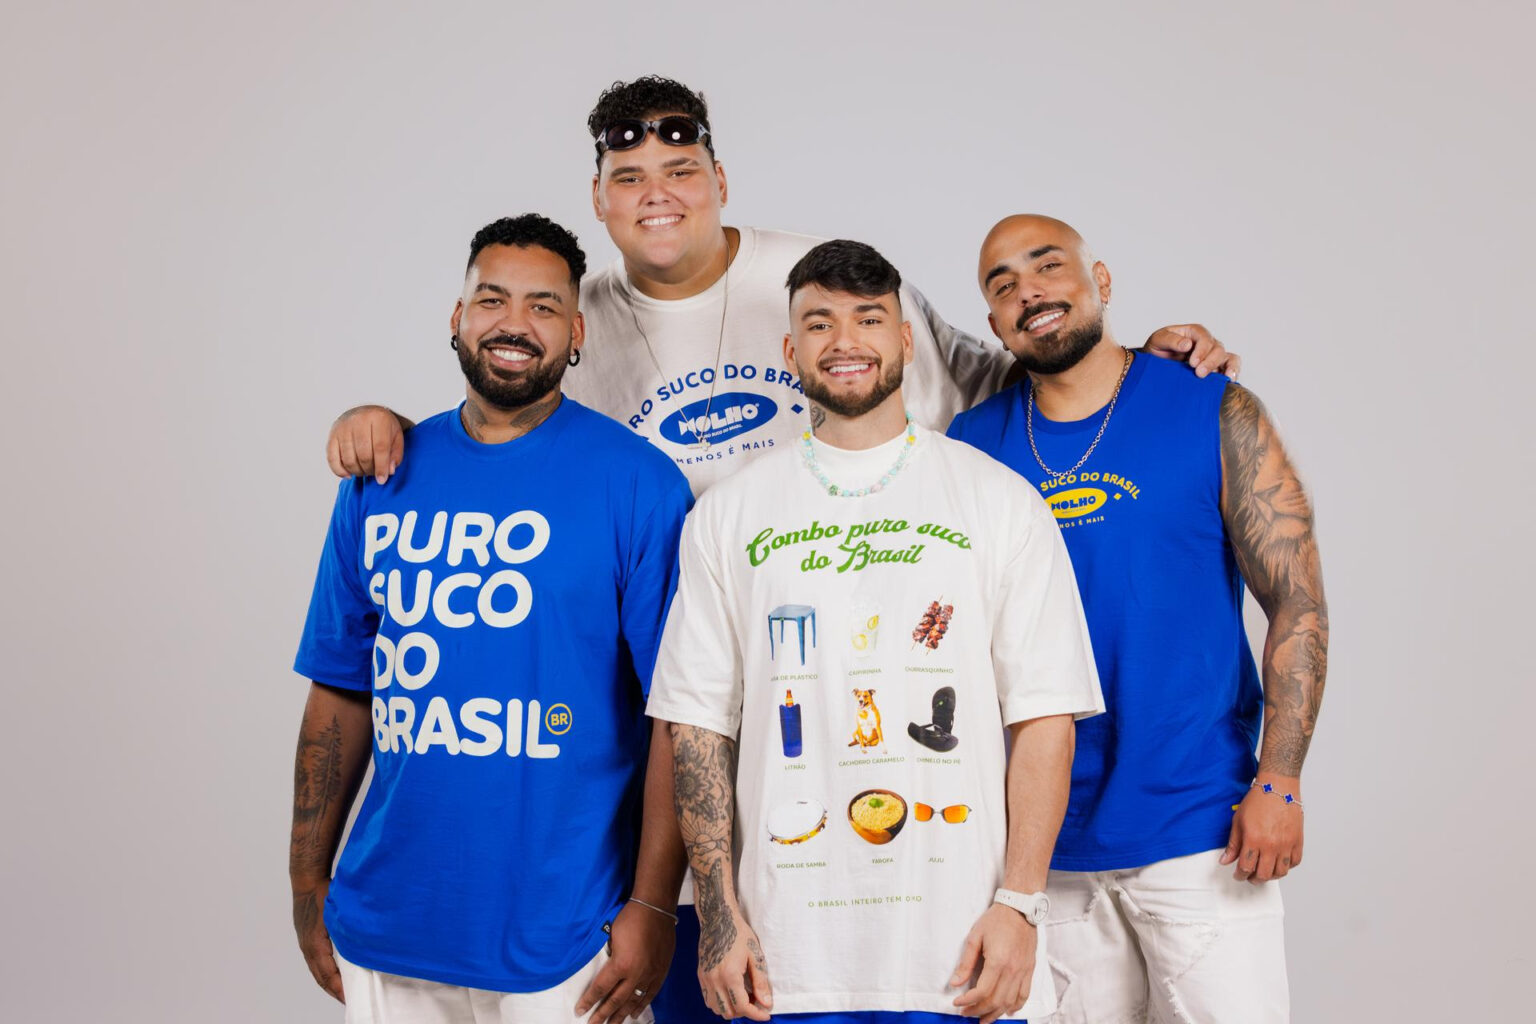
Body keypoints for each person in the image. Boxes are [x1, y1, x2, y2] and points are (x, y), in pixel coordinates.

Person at [320, 76, 1236, 1024]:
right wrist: (387, 425)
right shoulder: (569, 313)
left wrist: (1131, 363)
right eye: (630, 178)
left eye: (680, 170)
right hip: (674, 739)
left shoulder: (810, 276)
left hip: (881, 740)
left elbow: (1007, 370)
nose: (658, 195)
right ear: (599, 197)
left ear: (719, 179)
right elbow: (500, 413)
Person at [646, 239, 1106, 1024]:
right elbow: (696, 727)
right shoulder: (729, 513)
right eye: (819, 323)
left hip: (961, 953)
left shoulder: (997, 500)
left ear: (906, 339)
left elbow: (1044, 717)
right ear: (790, 351)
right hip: (787, 962)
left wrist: (1020, 903)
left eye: (868, 318)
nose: (845, 341)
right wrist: (718, 913)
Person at [288, 214, 693, 1024]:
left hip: (566, 936)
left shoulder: (639, 484)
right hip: (385, 925)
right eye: (492, 299)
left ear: (576, 333)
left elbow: (679, 714)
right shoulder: (382, 476)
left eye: (544, 306)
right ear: (458, 316)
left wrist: (653, 905)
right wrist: (306, 880)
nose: (515, 323)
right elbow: (340, 689)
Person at [947, 215, 1329, 1023]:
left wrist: (1281, 779)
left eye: (1048, 266)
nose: (1029, 292)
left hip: (1200, 826)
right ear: (994, 323)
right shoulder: (970, 445)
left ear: (1102, 280)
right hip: (1041, 849)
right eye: (1004, 285)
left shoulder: (1211, 406)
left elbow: (1295, 599)